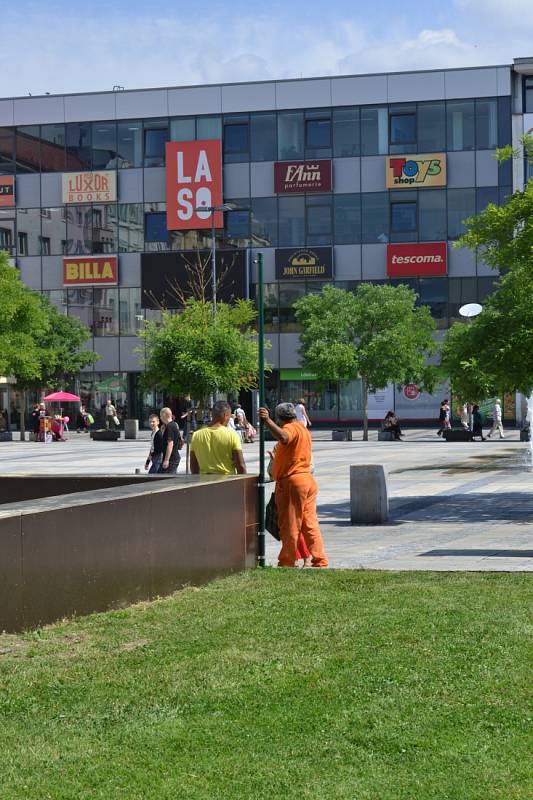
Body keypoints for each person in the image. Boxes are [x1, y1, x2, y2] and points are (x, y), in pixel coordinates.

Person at [259, 403, 328, 569]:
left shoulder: (291, 428)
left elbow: (284, 437)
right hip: (307, 480)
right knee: (309, 523)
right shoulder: (303, 429)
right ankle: (320, 560)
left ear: (280, 418)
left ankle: (287, 562)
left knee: (290, 524)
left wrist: (267, 421)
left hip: (292, 482)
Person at [190, 401, 247, 475]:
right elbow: (240, 465)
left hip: (204, 483)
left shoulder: (196, 435)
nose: (229, 419)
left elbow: (193, 466)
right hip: (226, 482)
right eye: (229, 416)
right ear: (225, 416)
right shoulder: (232, 434)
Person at [159, 407, 183, 474]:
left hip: (172, 459)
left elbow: (170, 444)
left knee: (167, 481)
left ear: (166, 415)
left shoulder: (170, 426)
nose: (160, 418)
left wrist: (166, 460)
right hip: (173, 458)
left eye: (161, 415)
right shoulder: (172, 425)